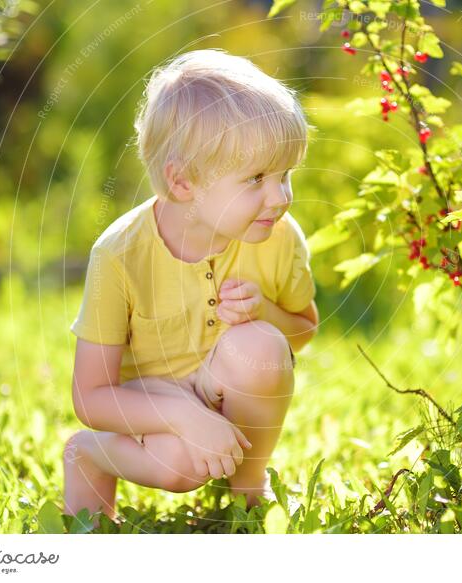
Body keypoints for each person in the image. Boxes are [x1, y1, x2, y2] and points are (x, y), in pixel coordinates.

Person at [62, 49, 319, 526]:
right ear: (182, 182)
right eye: (257, 178)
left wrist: (265, 311)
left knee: (260, 346)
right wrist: (183, 418)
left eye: (286, 175)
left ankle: (248, 489)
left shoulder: (278, 235)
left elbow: (301, 333)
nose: (280, 197)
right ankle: (91, 457)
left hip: (221, 382)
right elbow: (91, 396)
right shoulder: (119, 254)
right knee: (180, 466)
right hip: (149, 400)